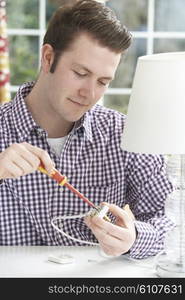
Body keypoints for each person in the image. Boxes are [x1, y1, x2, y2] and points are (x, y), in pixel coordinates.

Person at [0, 0, 173, 258]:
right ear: (48, 58)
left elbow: (173, 224)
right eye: (80, 73)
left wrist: (134, 237)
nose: (89, 93)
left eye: (103, 81)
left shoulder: (123, 134)